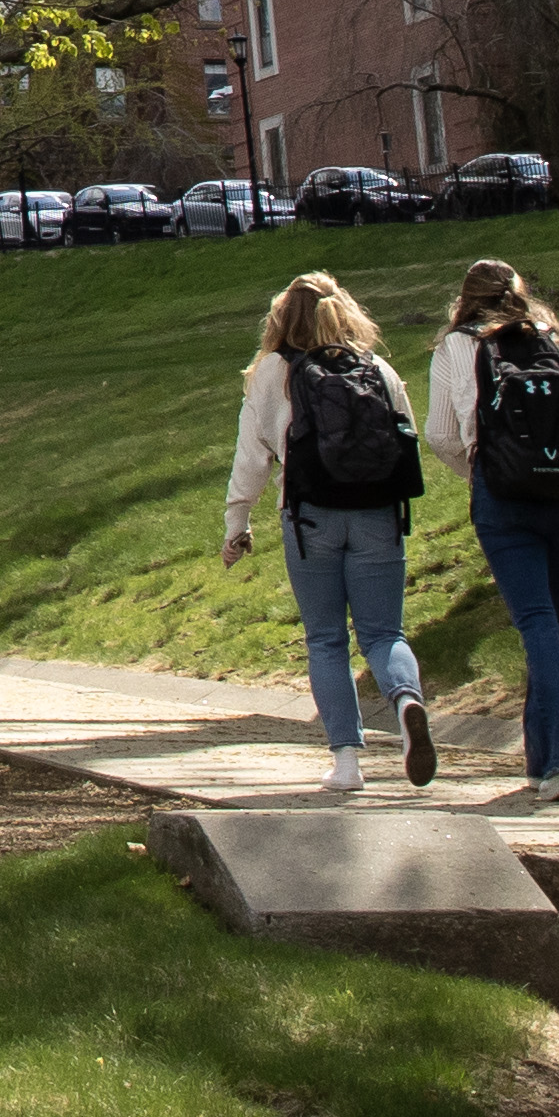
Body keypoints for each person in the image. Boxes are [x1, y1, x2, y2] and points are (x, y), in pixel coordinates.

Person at [217, 267, 433, 791]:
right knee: (384, 633)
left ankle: (347, 762)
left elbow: (253, 458)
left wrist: (236, 522)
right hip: (379, 513)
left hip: (310, 519)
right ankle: (406, 701)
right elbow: (407, 438)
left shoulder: (272, 372)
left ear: (280, 318)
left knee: (327, 639)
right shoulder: (375, 367)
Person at [428, 256, 559, 802]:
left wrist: (480, 469)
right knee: (553, 624)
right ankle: (544, 759)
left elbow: (439, 434)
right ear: (520, 292)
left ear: (465, 298)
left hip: (505, 499)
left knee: (536, 623)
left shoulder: (458, 346)